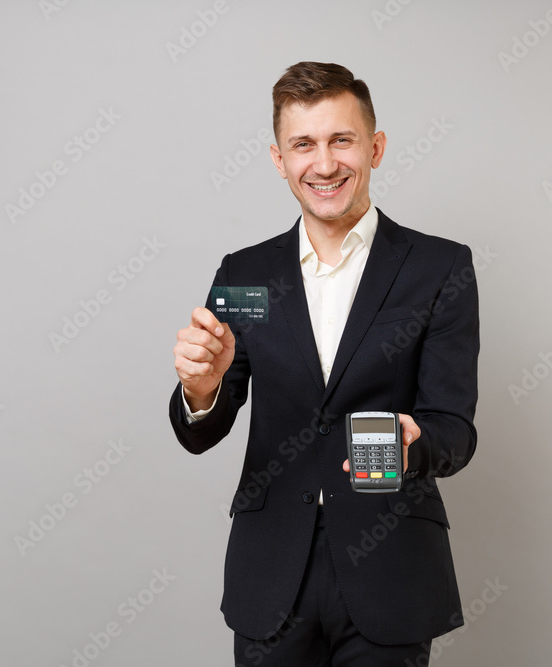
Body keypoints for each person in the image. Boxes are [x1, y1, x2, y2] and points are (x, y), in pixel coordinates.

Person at [170, 61, 479, 667]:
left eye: (342, 139)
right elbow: (203, 428)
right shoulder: (245, 275)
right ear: (279, 158)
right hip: (271, 574)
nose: (326, 163)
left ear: (375, 147)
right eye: (303, 144)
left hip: (389, 570)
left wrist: (407, 446)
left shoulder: (439, 269)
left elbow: (454, 431)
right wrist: (201, 391)